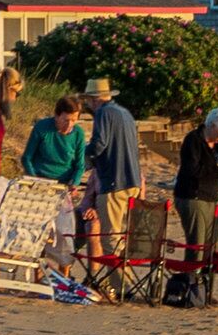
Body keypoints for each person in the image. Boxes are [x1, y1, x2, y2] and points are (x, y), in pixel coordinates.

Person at [168, 105, 218, 307]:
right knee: (197, 244)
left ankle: (206, 291)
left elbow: (217, 169)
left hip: (211, 197)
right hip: (191, 196)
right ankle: (191, 290)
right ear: (212, 125)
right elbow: (193, 169)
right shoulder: (193, 140)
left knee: (212, 247)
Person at [80, 77, 142, 253]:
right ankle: (121, 280)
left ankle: (124, 282)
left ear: (94, 99)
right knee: (120, 240)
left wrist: (82, 159)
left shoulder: (103, 113)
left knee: (110, 242)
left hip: (115, 182)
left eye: (88, 100)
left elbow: (99, 144)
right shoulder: (125, 113)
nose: (88, 105)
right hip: (133, 181)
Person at [17, 93, 90, 188]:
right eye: (66, 120)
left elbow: (79, 166)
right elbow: (26, 158)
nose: (69, 125)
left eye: (73, 120)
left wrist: (74, 183)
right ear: (56, 116)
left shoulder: (78, 134)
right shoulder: (42, 127)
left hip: (63, 183)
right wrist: (33, 179)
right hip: (38, 179)